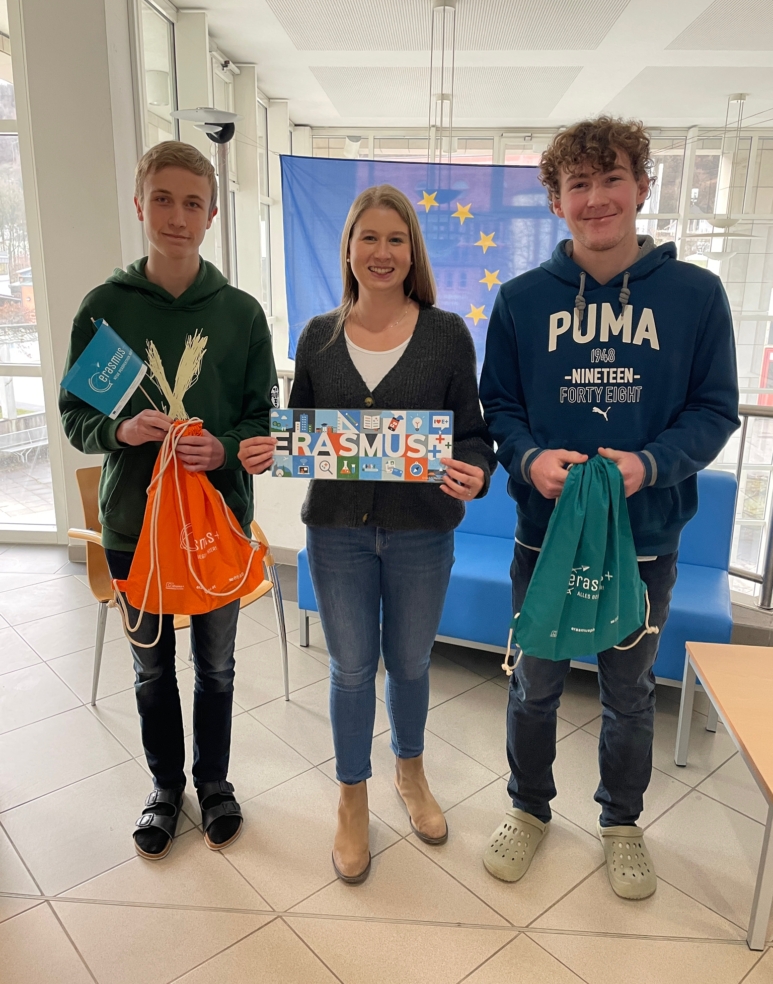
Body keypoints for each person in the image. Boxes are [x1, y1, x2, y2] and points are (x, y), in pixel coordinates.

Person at [479, 117, 739, 899]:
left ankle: (621, 823)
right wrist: (528, 458)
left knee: (628, 694)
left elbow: (713, 410)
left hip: (646, 539)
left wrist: (649, 464)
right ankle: (527, 808)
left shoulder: (696, 295)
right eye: (578, 184)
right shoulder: (520, 301)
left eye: (611, 179)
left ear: (642, 187)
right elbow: (499, 407)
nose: (596, 198)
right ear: (555, 201)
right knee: (533, 685)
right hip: (544, 537)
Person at [239, 184, 497, 884]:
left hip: (422, 535)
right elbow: (301, 434)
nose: (382, 252)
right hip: (337, 535)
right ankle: (351, 798)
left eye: (396, 239)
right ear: (348, 247)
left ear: (412, 251)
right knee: (351, 669)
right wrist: (269, 448)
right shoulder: (318, 336)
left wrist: (474, 471)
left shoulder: (446, 334)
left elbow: (473, 436)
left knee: (410, 663)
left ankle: (410, 773)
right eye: (369, 238)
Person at [60, 141, 277, 860]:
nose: (177, 217)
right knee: (151, 668)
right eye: (162, 199)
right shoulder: (105, 309)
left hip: (215, 528)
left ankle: (213, 784)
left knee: (216, 668)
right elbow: (76, 417)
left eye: (192, 203)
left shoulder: (241, 314)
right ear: (139, 204)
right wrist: (120, 429)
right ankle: (164, 787)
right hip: (134, 530)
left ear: (212, 215)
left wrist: (223, 448)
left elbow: (262, 421)